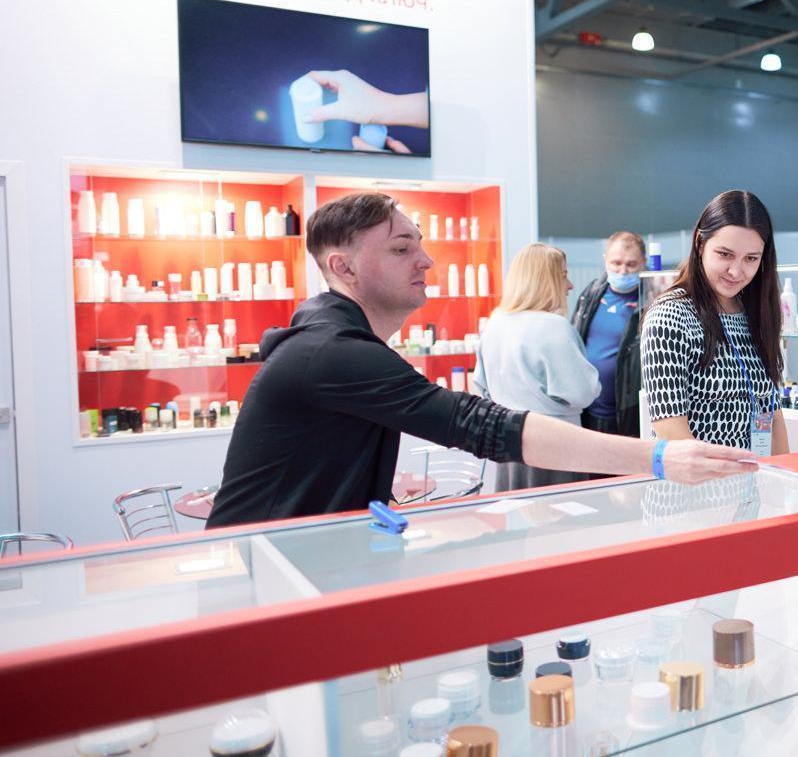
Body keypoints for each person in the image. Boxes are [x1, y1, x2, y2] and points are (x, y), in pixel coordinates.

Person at [208, 193, 752, 528]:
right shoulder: (330, 352)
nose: (426, 260)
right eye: (401, 249)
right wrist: (657, 457)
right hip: (266, 574)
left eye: (419, 244)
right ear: (343, 268)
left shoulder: (333, 340)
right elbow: (479, 422)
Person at [642, 191, 789, 455]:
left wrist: (782, 473)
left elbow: (773, 413)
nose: (736, 271)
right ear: (700, 244)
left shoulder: (757, 314)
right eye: (725, 254)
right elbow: (670, 429)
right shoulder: (670, 315)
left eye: (751, 258)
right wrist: (723, 478)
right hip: (693, 477)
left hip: (754, 476)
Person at [475, 244, 601, 491]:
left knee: (516, 509)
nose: (570, 285)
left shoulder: (495, 324)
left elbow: (482, 387)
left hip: (508, 442)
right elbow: (582, 393)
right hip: (556, 444)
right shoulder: (554, 327)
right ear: (545, 279)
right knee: (561, 511)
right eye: (563, 275)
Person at [571, 231, 645, 437]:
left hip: (628, 416)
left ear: (643, 263)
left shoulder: (649, 302)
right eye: (616, 263)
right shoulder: (591, 294)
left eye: (631, 264)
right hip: (587, 412)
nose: (623, 271)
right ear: (605, 260)